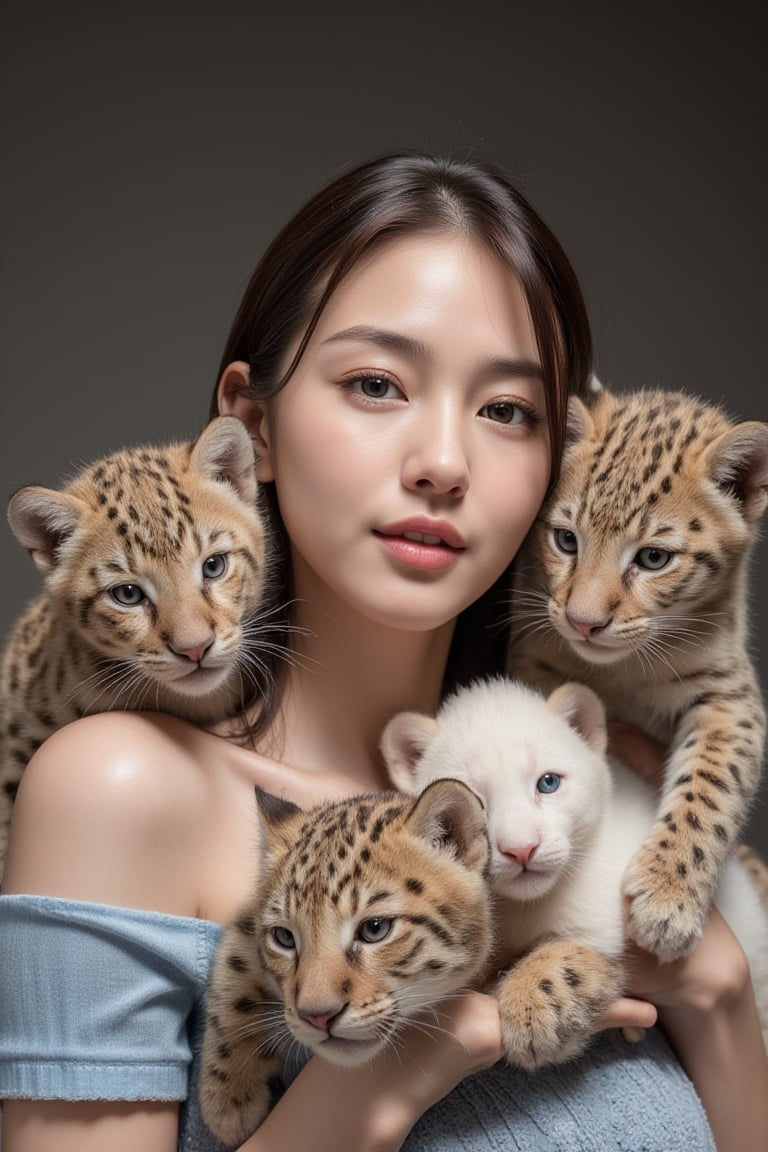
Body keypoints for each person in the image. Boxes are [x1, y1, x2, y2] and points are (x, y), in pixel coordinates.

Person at [0, 153, 765, 1152]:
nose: (443, 462)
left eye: (507, 411)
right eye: (376, 383)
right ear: (254, 427)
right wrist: (382, 1088)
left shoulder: (588, 785)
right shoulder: (125, 789)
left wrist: (720, 996)